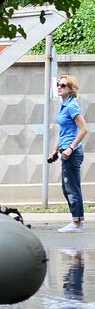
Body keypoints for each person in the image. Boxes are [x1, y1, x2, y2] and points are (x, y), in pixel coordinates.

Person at [54, 74, 89, 233]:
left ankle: (77, 223)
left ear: (71, 89)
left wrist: (70, 148)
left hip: (72, 153)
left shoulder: (72, 106)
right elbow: (64, 131)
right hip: (65, 151)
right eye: (58, 84)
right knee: (68, 187)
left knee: (71, 188)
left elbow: (84, 129)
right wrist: (56, 150)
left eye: (63, 85)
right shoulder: (64, 105)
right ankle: (78, 221)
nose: (59, 87)